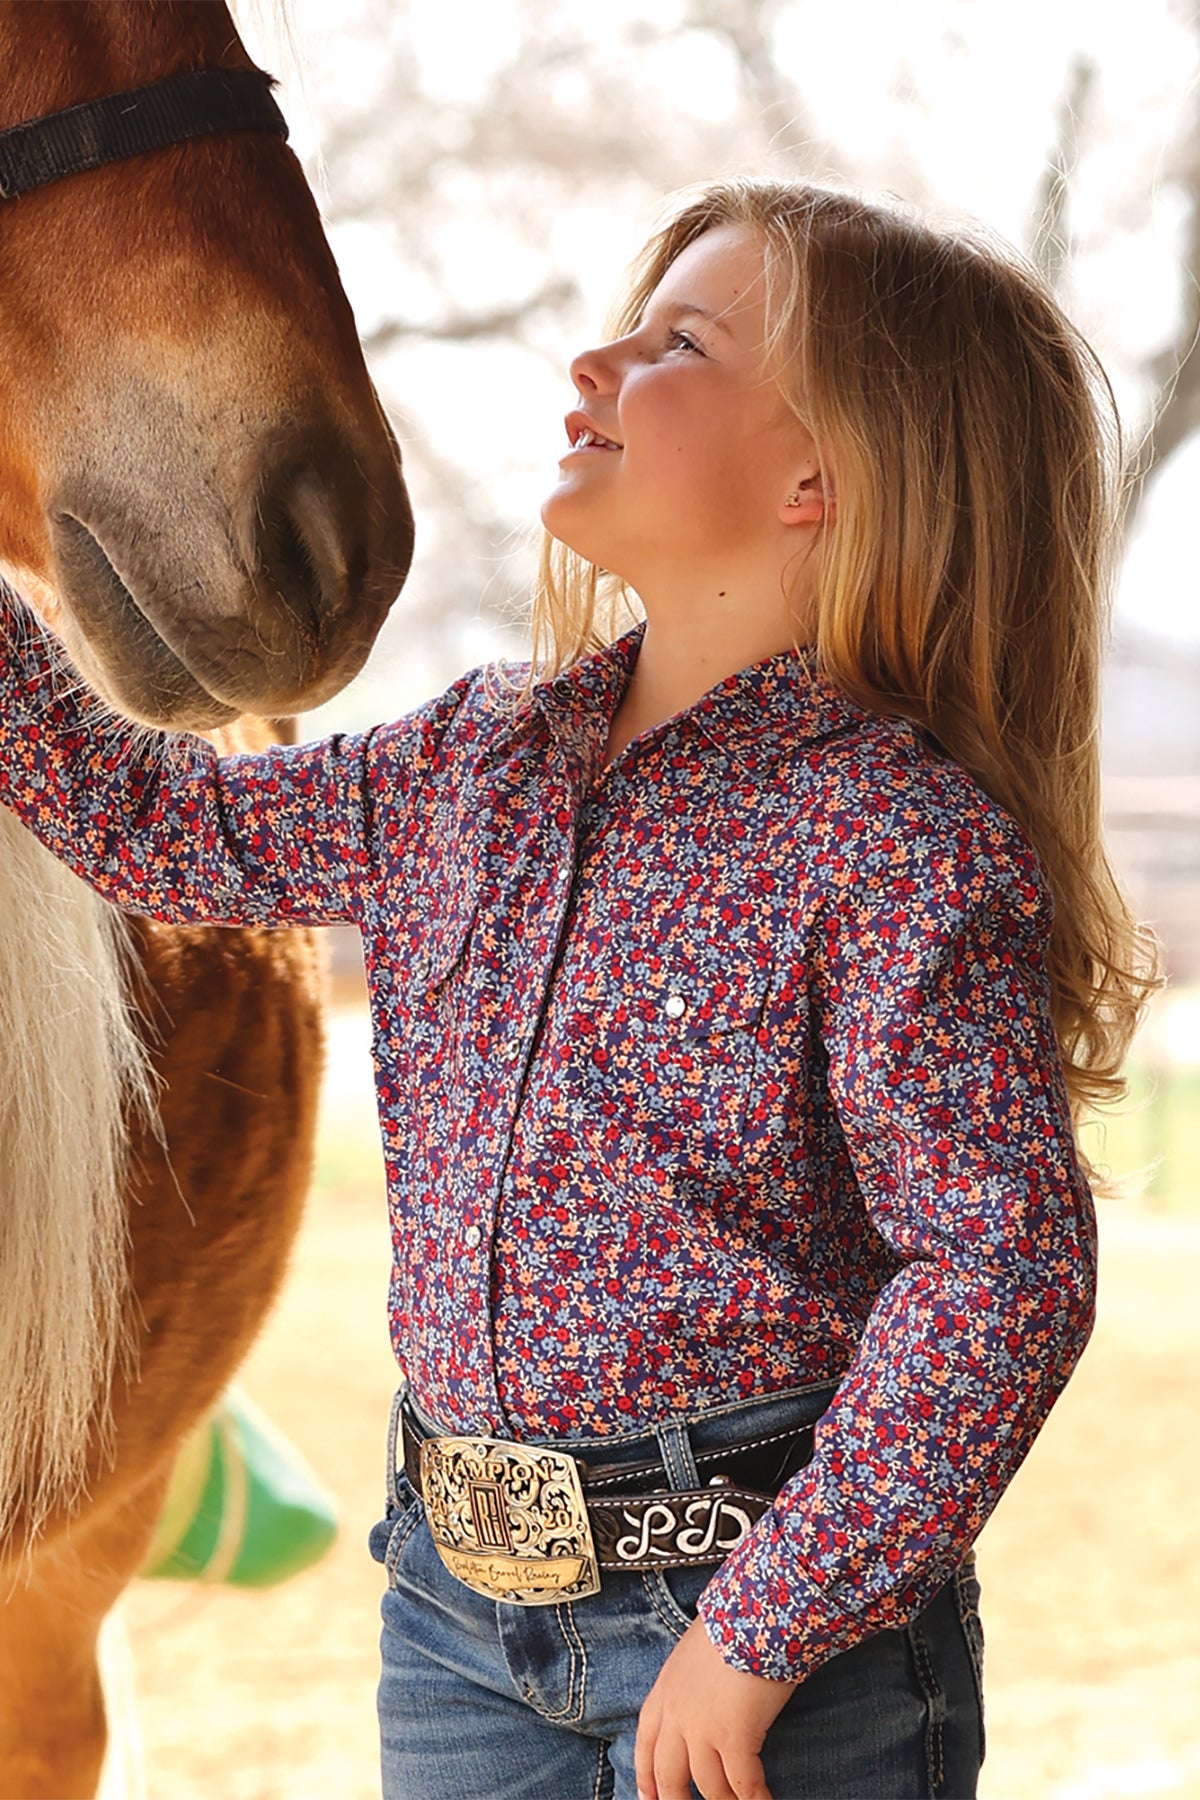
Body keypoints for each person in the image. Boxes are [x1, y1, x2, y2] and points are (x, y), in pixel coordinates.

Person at [0, 180, 1155, 1800]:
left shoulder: (898, 844)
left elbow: (1001, 1277)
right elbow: (157, 829)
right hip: (459, 1624)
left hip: (770, 1648)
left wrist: (762, 1635)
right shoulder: (478, 754)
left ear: (823, 479)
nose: (593, 365)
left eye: (677, 341)